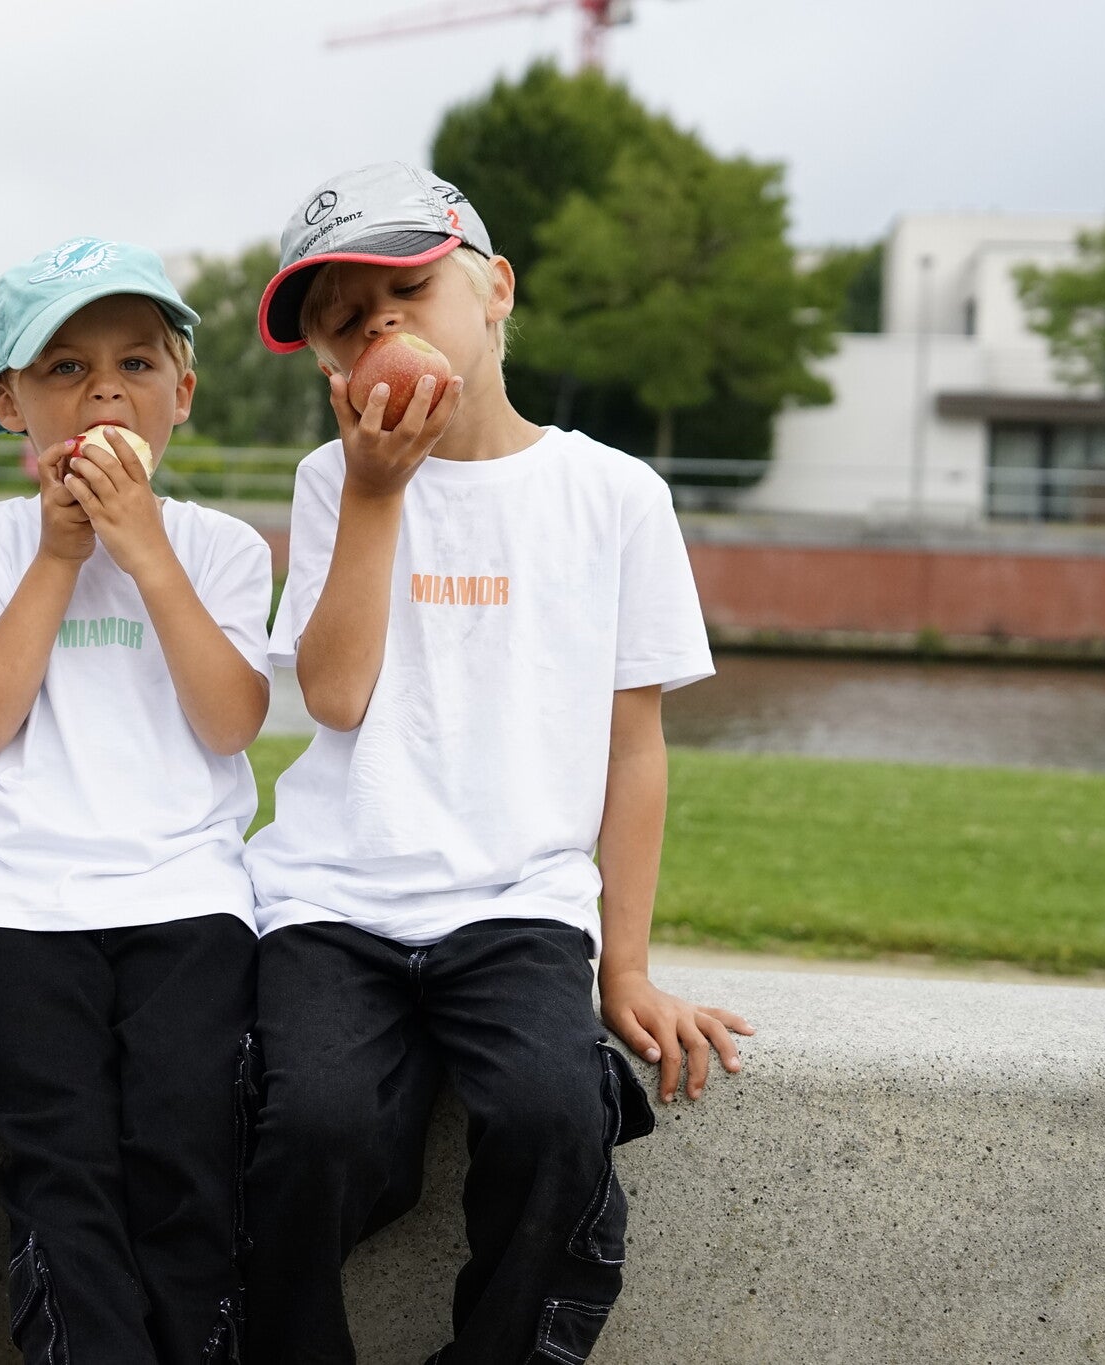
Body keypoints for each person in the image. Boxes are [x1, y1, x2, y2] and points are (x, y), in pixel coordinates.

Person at [238, 163, 756, 1365]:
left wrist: (622, 966)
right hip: (331, 896)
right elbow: (332, 694)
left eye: (405, 288)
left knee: (551, 1117)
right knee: (305, 1129)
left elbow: (634, 749)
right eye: (339, 318)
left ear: (496, 288)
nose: (377, 325)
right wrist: (377, 493)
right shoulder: (332, 482)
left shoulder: (613, 495)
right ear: (324, 364)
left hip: (516, 903)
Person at [0, 237, 273, 1364]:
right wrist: (61, 555)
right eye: (63, 368)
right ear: (7, 403)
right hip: (18, 901)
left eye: (135, 362)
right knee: (56, 1159)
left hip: (186, 897)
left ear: (183, 393)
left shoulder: (218, 548)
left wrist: (145, 551)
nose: (103, 389)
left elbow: (229, 720)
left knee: (184, 1145)